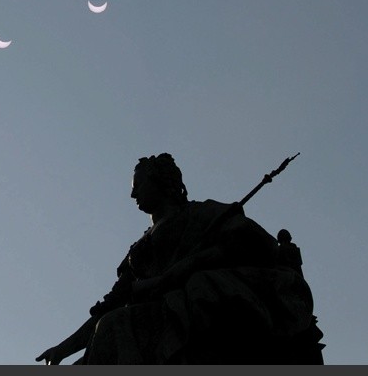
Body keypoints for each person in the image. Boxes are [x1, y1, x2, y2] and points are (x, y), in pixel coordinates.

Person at [35, 153, 324, 364]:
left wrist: (178, 272)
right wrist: (62, 349)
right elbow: (110, 304)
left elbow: (251, 242)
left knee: (115, 327)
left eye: (138, 184)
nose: (133, 192)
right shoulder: (138, 250)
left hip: (184, 312)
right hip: (152, 316)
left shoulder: (203, 215)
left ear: (161, 183)